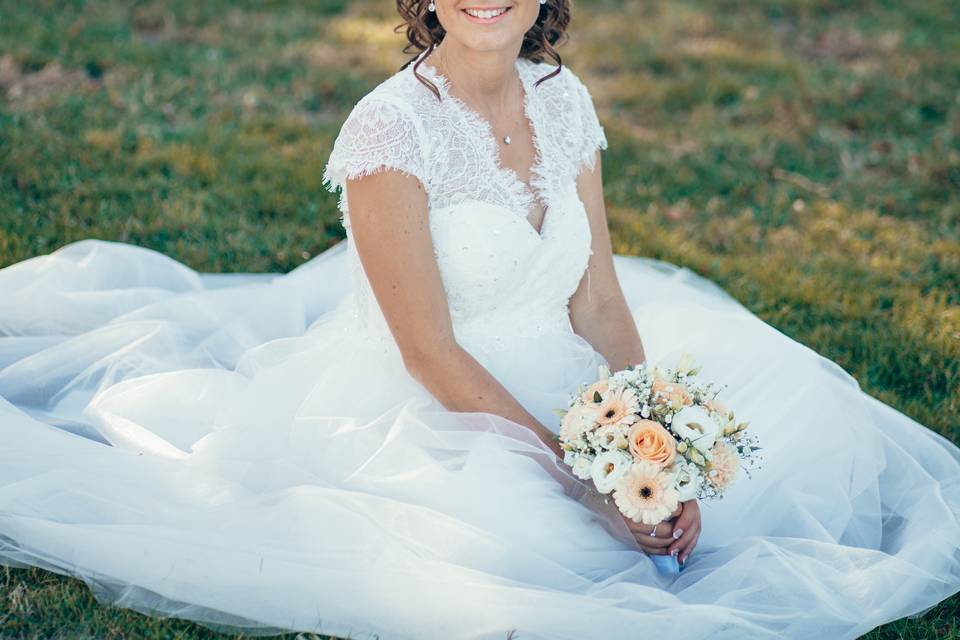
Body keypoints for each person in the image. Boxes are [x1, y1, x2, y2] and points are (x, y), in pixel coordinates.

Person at [0, 1, 957, 638]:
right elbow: (428, 350)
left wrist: (649, 459)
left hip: (566, 374)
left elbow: (598, 298)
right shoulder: (388, 129)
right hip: (432, 411)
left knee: (752, 480)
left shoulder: (563, 99)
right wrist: (583, 484)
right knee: (547, 567)